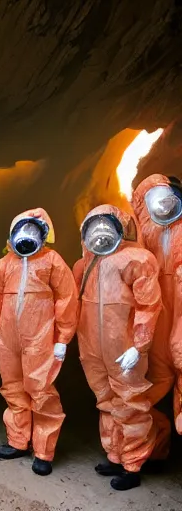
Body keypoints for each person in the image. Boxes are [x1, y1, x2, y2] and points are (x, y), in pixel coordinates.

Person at [73, 205, 162, 491]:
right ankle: (115, 454)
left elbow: (149, 305)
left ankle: (133, 464)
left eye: (105, 226)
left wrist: (140, 345)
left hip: (125, 349)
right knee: (106, 401)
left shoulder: (136, 260)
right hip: (93, 348)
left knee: (131, 403)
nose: (99, 234)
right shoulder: (84, 265)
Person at [0, 208, 78, 476]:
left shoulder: (52, 261)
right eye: (21, 231)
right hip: (7, 338)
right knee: (13, 388)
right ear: (11, 234)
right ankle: (17, 441)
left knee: (41, 390)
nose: (26, 237)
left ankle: (43, 451)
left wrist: (62, 338)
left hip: (39, 338)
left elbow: (67, 300)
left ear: (44, 235)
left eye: (33, 231)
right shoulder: (5, 264)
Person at [132, 174, 181, 452]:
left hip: (177, 317)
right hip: (157, 316)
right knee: (149, 388)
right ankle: (151, 449)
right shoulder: (146, 233)